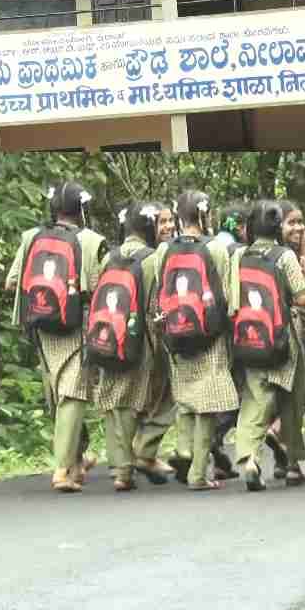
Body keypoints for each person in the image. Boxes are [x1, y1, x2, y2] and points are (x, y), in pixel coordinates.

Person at [4, 181, 105, 493]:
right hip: (77, 329)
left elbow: (11, 283)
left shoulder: (30, 238)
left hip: (41, 329)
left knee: (58, 396)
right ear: (82, 210)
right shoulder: (92, 241)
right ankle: (62, 470)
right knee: (72, 395)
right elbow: (99, 286)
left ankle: (76, 459)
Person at [228, 200, 305, 490]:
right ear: (278, 226)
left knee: (254, 402)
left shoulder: (239, 255)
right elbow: (301, 297)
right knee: (291, 401)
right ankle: (293, 465)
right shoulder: (284, 257)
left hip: (249, 340)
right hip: (282, 342)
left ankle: (248, 459)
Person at [155, 189, 239, 490]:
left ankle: (184, 450)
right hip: (209, 335)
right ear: (204, 215)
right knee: (208, 402)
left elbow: (159, 291)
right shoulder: (216, 248)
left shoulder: (165, 250)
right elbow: (229, 298)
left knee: (187, 398)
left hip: (175, 333)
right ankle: (198, 473)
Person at [90, 201, 166, 491]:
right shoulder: (153, 258)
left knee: (114, 401)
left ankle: (121, 469)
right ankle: (142, 454)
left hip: (109, 333)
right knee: (148, 398)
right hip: (143, 337)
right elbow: (159, 303)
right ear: (148, 228)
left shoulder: (108, 257)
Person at [131, 200, 179, 483]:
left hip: (126, 336)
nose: (169, 226)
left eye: (171, 220)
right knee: (168, 396)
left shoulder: (119, 255)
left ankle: (139, 455)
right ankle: (144, 450)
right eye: (162, 222)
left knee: (142, 397)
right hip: (155, 334)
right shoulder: (159, 257)